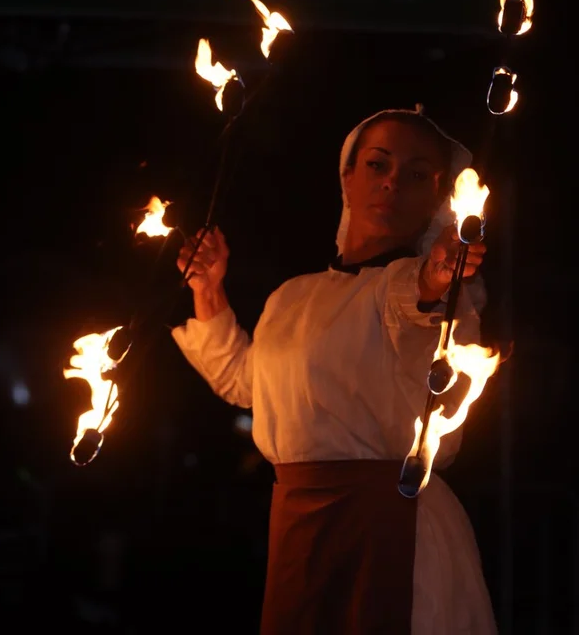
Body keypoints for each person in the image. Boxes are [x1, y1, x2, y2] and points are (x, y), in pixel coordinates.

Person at [171, 106, 497, 634]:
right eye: (378, 165)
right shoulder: (292, 297)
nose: (393, 183)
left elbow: (410, 302)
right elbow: (245, 382)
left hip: (392, 532)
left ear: (439, 198)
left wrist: (436, 278)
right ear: (347, 176)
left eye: (417, 175)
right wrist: (207, 289)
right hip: (300, 528)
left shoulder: (434, 291)